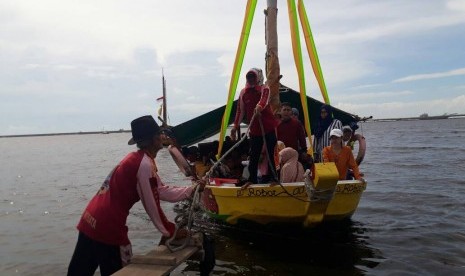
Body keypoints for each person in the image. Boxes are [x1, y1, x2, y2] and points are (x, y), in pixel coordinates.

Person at [67, 115, 206, 276]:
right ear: (155, 139)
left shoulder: (138, 160)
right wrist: (170, 231)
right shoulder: (144, 165)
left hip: (89, 219)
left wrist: (192, 190)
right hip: (109, 227)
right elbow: (152, 205)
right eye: (161, 134)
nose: (163, 137)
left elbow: (160, 190)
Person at [230, 68, 279, 185]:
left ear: (258, 78)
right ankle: (252, 180)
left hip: (268, 127)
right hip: (255, 130)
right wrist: (235, 126)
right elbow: (240, 111)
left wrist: (259, 107)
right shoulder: (243, 92)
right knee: (254, 154)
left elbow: (265, 99)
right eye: (249, 77)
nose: (251, 79)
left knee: (271, 152)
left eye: (253, 77)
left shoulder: (264, 88)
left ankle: (274, 179)